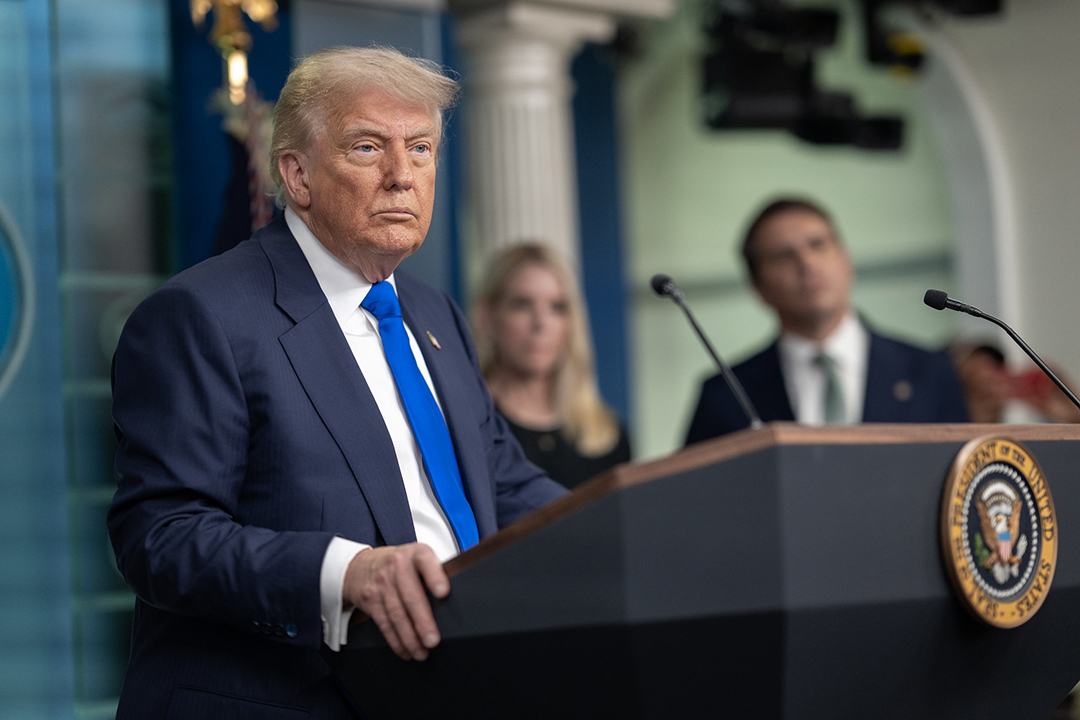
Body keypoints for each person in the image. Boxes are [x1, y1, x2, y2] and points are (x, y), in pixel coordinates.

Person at [107, 47, 567, 719]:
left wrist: (626, 533)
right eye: (366, 147)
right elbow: (162, 536)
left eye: (421, 148)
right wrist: (346, 574)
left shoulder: (433, 312)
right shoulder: (203, 315)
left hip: (446, 687)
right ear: (296, 174)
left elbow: (498, 479)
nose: (402, 176)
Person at [685, 198, 969, 444]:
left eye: (817, 245)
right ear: (758, 288)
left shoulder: (929, 373)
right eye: (784, 256)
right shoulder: (725, 395)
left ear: (846, 260)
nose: (807, 263)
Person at [471, 244, 631, 490]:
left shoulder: (608, 435)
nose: (541, 323)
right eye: (522, 304)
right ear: (487, 316)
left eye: (557, 307)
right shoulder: (468, 425)